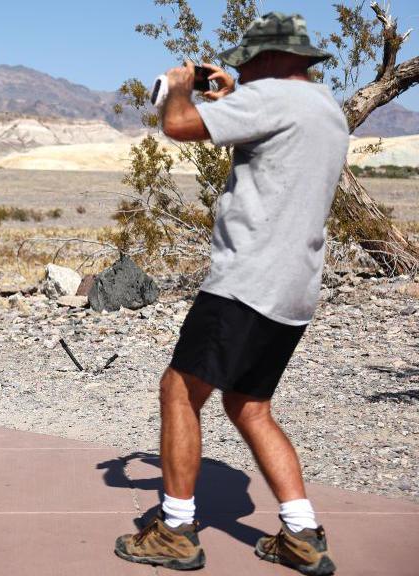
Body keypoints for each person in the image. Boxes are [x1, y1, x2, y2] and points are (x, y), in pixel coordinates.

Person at [113, 13, 348, 576]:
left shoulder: (269, 98)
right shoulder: (326, 108)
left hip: (245, 282)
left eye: (249, 59)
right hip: (294, 289)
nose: (242, 66)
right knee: (249, 406)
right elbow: (271, 139)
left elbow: (180, 127)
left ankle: (174, 530)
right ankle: (301, 534)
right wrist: (233, 96)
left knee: (178, 391)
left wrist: (176, 88)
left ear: (269, 59)